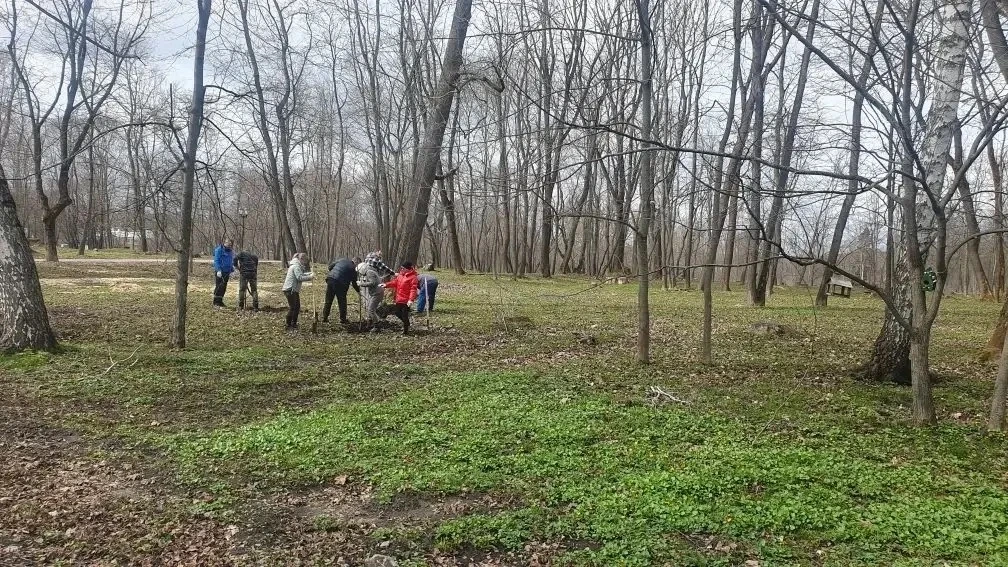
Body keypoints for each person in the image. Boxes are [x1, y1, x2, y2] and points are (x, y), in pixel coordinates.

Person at [383, 262, 419, 335]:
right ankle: (407, 323)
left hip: (406, 300)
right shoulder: (400, 275)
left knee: (404, 315)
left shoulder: (413, 277)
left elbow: (413, 290)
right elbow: (395, 283)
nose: (401, 269)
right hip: (399, 298)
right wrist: (386, 285)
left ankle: (406, 331)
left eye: (403, 268)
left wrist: (411, 300)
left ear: (408, 269)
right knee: (397, 312)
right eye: (401, 268)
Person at [323, 257, 361, 324]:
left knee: (328, 300)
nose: (358, 267)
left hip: (330, 279)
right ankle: (343, 319)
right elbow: (354, 283)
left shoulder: (342, 260)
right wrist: (359, 291)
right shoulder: (353, 268)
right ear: (356, 262)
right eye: (358, 265)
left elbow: (330, 267)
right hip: (340, 284)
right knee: (342, 301)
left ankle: (324, 317)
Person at [282, 252, 314, 331]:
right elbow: (299, 277)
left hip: (294, 290)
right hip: (290, 289)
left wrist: (309, 273)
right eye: (305, 261)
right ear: (301, 259)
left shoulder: (297, 265)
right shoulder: (296, 266)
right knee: (293, 307)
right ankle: (288, 324)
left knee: (297, 307)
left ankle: (294, 323)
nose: (305, 263)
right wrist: (310, 277)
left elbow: (301, 274)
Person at [356, 257, 385, 332]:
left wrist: (361, 284)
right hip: (375, 293)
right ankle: (370, 322)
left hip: (377, 293)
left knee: (371, 309)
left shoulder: (369, 272)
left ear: (362, 269)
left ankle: (377, 326)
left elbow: (373, 283)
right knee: (369, 307)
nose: (360, 273)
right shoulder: (370, 271)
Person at [212, 238, 235, 307]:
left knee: (224, 287)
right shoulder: (219, 250)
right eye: (228, 243)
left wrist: (232, 270)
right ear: (225, 242)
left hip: (227, 272)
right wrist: (218, 270)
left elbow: (230, 261)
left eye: (230, 244)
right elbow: (216, 260)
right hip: (220, 272)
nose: (229, 245)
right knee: (219, 286)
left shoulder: (230, 251)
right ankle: (216, 302)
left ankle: (220, 301)